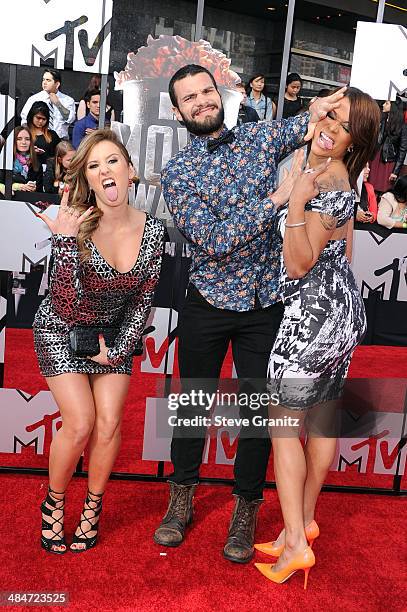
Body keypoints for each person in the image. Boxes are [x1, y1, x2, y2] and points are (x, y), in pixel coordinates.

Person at [156, 62, 347, 563]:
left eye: (206, 92)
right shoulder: (177, 174)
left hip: (264, 304)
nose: (201, 101)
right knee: (193, 403)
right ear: (178, 112)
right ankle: (181, 497)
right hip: (207, 302)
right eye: (189, 98)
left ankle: (246, 507)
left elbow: (304, 125)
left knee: (260, 415)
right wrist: (275, 201)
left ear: (220, 95)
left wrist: (322, 109)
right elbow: (213, 242)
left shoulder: (260, 139)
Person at [254, 88, 380, 588]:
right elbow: (339, 252)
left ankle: (297, 546)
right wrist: (315, 120)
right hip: (341, 308)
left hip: (314, 315)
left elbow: (298, 262)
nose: (327, 122)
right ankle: (300, 525)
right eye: (327, 111)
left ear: (356, 139)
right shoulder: (336, 171)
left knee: (284, 426)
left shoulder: (328, 180)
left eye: (340, 121)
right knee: (322, 419)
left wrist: (296, 204)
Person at [33, 129, 164, 554]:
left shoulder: (155, 232)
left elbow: (144, 299)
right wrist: (65, 242)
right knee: (81, 422)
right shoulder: (77, 225)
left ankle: (92, 505)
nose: (104, 171)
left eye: (112, 161)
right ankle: (53, 503)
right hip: (61, 330)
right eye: (93, 166)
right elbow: (64, 302)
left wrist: (120, 349)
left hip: (113, 337)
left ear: (129, 172)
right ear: (87, 181)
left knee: (108, 424)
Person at [20, 69, 75, 139]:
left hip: (60, 140)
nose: (44, 83)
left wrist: (58, 103)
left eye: (48, 80)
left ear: (57, 84)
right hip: (37, 139)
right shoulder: (34, 99)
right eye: (43, 80)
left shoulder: (67, 100)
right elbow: (24, 120)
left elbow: (70, 119)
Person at [369, 99, 407, 195]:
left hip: (388, 160)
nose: (383, 105)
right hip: (375, 157)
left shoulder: (402, 126)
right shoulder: (381, 120)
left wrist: (395, 171)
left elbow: (403, 150)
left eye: (387, 103)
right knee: (369, 187)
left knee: (383, 190)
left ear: (393, 107)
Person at [4, 126, 44, 193]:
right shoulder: (5, 160)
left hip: (28, 200)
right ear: (13, 141)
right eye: (19, 139)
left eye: (27, 139)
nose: (24, 142)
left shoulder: (36, 163)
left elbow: (40, 191)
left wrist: (34, 189)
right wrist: (19, 186)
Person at [26, 101, 61, 166]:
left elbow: (60, 153)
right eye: (38, 118)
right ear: (32, 116)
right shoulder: (24, 133)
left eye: (44, 119)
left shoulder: (52, 135)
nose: (40, 121)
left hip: (48, 171)